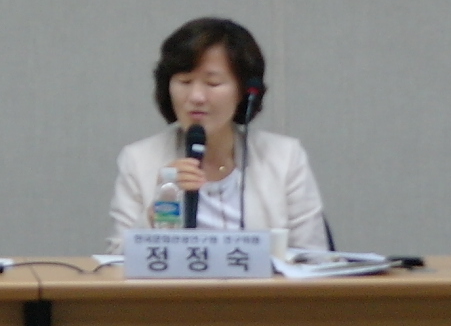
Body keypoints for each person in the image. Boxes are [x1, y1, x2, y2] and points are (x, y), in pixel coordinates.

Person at [106, 15, 328, 255]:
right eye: (185, 81)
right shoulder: (138, 160)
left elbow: (315, 258)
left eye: (212, 83)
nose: (196, 97)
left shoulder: (284, 158)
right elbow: (115, 262)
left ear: (243, 92)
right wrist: (159, 209)